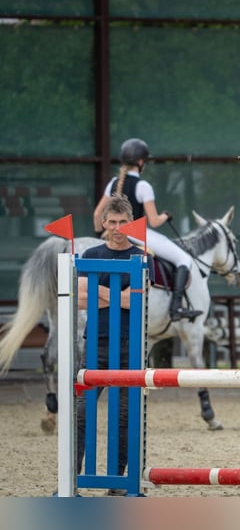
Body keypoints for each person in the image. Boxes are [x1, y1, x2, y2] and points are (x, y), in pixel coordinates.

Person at [76, 195, 155, 495]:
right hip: (93, 346)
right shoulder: (91, 253)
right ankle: (72, 479)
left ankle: (119, 483)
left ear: (131, 222)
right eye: (112, 222)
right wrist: (119, 295)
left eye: (123, 222)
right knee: (81, 413)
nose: (118, 227)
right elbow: (81, 299)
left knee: (124, 416)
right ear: (104, 223)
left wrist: (100, 291)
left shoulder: (143, 256)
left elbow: (137, 302)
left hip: (129, 347)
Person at [93, 138, 202, 321]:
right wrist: (165, 216)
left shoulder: (112, 183)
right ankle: (176, 308)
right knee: (184, 258)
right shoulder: (143, 186)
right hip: (136, 234)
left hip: (111, 234)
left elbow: (97, 214)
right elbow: (154, 221)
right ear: (141, 162)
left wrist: (100, 237)